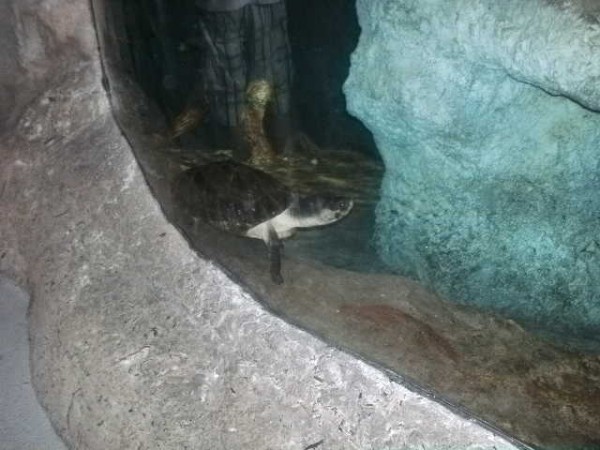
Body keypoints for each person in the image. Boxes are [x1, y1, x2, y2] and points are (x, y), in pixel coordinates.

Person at [195, 0, 293, 154]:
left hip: (221, 7)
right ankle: (282, 157)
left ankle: (243, 160)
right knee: (275, 79)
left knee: (228, 87)